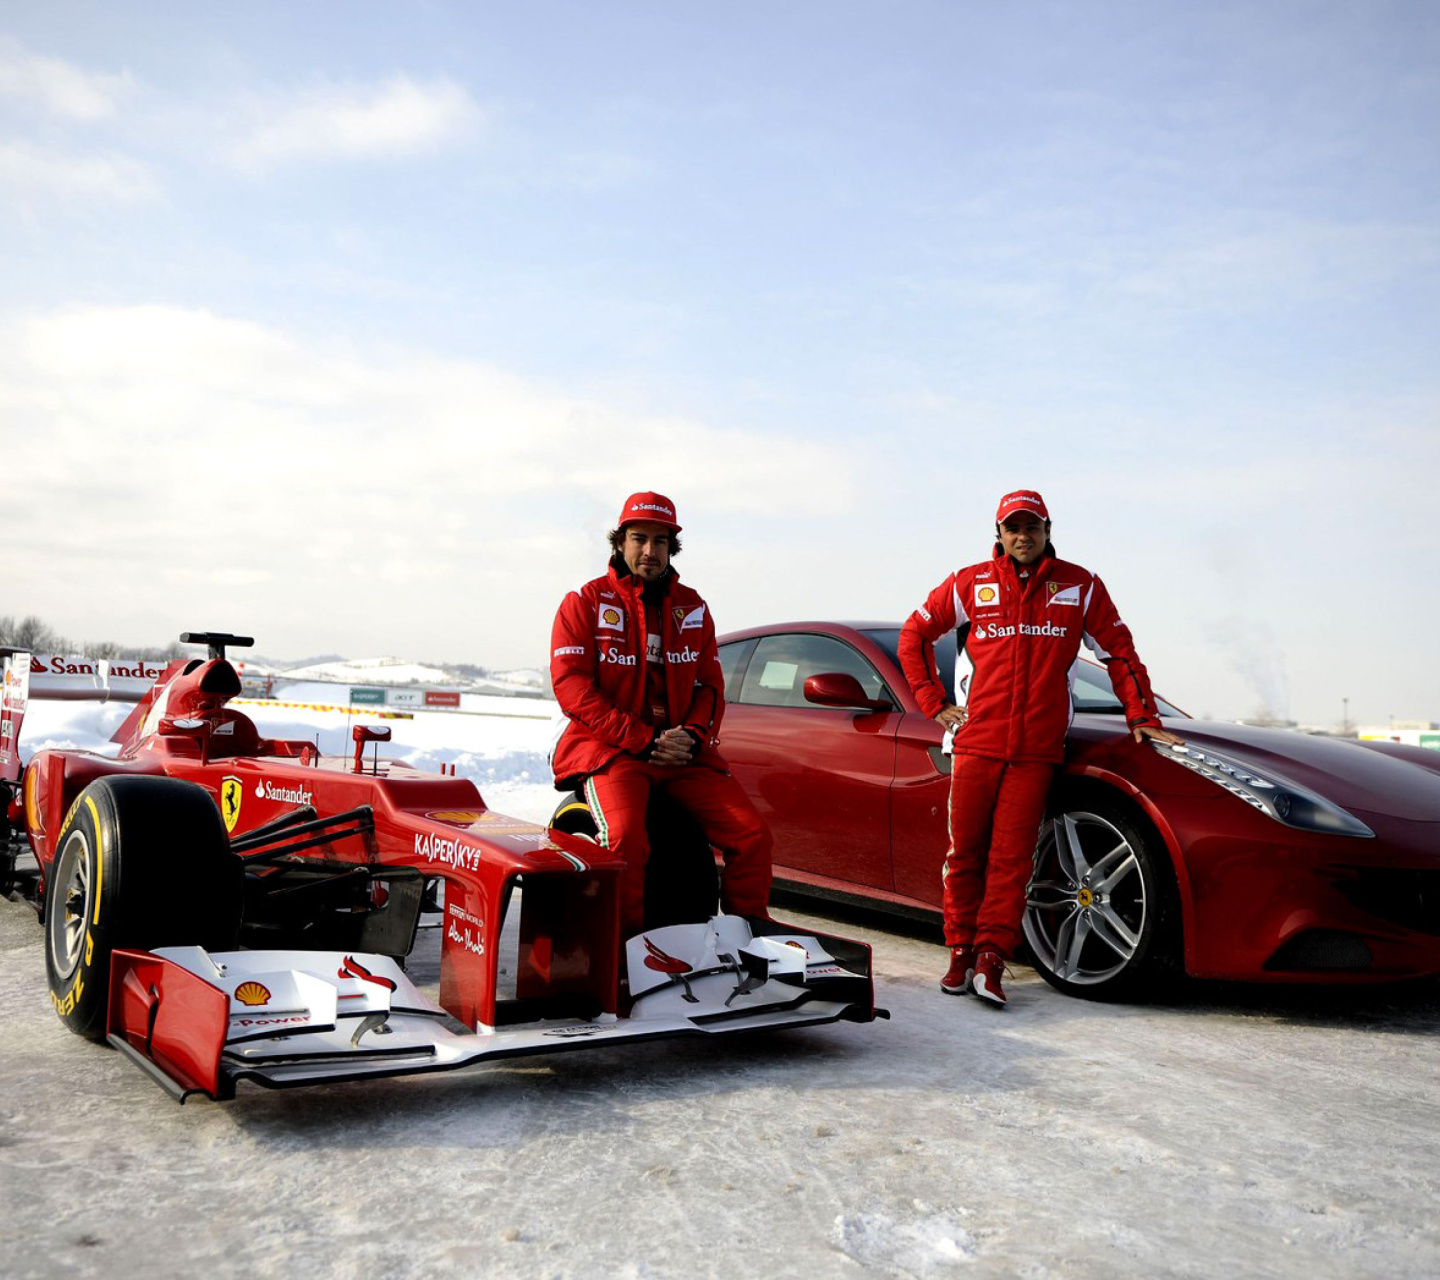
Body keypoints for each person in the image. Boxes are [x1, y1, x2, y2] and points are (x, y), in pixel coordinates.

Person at [898, 489, 1183, 1007]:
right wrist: (934, 704)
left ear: (1048, 532)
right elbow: (913, 635)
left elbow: (1119, 652)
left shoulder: (1081, 586)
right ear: (999, 535)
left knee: (1011, 861)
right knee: (964, 855)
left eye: (1032, 527)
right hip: (977, 743)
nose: (1022, 536)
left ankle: (990, 960)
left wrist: (1142, 716)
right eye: (1013, 528)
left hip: (1036, 750)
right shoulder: (970, 582)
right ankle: (960, 952)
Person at [549, 491, 773, 938]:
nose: (650, 551)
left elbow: (710, 686)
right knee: (627, 838)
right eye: (639, 539)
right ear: (619, 542)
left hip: (680, 756)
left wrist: (691, 735)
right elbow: (572, 686)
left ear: (672, 548)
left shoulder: (693, 607)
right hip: (612, 752)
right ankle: (624, 947)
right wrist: (641, 739)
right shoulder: (584, 603)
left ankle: (747, 935)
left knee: (752, 835)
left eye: (661, 541)